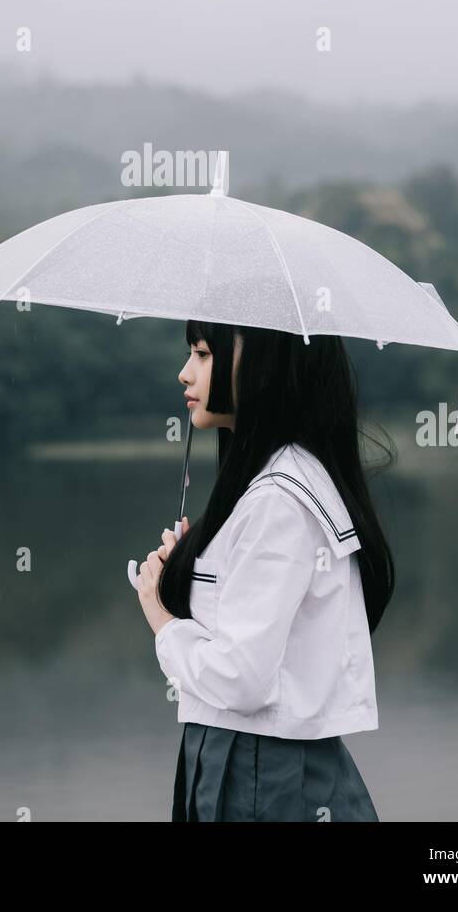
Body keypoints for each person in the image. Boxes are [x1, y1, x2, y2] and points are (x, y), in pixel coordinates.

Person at [135, 319, 396, 822]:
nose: (183, 373)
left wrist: (162, 618)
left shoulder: (279, 497)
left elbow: (240, 679)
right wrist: (196, 565)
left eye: (203, 354)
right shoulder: (275, 482)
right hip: (246, 761)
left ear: (261, 364)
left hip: (259, 771)